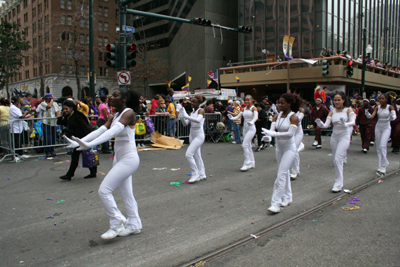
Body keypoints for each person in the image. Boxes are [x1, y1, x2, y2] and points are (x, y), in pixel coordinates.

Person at [65, 88, 142, 240]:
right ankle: (134, 224)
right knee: (127, 194)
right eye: (111, 95)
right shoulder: (115, 115)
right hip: (120, 158)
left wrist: (90, 144)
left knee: (104, 190)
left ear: (124, 98)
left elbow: (112, 133)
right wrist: (80, 142)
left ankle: (116, 221)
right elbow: (101, 130)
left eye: (115, 95)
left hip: (129, 159)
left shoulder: (129, 113)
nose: (111, 97)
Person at [261, 93, 301, 213]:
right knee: (284, 173)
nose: (279, 105)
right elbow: (272, 131)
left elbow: (290, 134)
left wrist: (274, 134)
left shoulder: (293, 117)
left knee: (281, 174)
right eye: (279, 102)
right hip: (279, 148)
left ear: (289, 104)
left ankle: (276, 203)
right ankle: (287, 197)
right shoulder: (276, 116)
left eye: (282, 103)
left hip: (289, 148)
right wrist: (267, 137)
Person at [315, 92, 356, 192]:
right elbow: (326, 125)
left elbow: (353, 122)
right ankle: (339, 181)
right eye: (335, 100)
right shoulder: (332, 111)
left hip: (344, 136)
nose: (337, 102)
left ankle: (338, 184)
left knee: (338, 158)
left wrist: (346, 124)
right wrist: (320, 124)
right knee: (336, 159)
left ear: (343, 100)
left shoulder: (348, 110)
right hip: (334, 137)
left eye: (339, 100)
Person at [57, 99, 97, 181]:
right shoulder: (69, 116)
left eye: (66, 109)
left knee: (88, 154)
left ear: (71, 108)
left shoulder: (78, 115)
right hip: (77, 140)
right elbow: (60, 123)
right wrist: (61, 115)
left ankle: (91, 172)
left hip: (83, 138)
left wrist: (86, 139)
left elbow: (85, 127)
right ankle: (70, 174)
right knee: (76, 156)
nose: (65, 111)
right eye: (63, 109)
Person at [365, 94, 397, 175]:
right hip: (378, 127)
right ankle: (380, 165)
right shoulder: (377, 107)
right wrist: (367, 114)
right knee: (379, 147)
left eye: (383, 99)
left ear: (386, 99)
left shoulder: (390, 107)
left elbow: (394, 116)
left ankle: (384, 165)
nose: (381, 100)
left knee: (383, 146)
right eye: (380, 99)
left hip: (386, 127)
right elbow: (372, 117)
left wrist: (392, 117)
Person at [179, 95, 207, 183]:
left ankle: (195, 174)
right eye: (192, 102)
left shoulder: (201, 111)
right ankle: (202, 173)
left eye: (194, 102)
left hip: (199, 135)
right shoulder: (192, 113)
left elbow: (198, 120)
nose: (192, 103)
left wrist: (186, 116)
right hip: (192, 135)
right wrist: (182, 116)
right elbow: (185, 124)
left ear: (199, 103)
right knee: (197, 155)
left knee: (188, 154)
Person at [227, 95, 258, 171]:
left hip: (251, 128)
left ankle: (247, 162)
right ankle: (252, 162)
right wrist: (232, 118)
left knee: (244, 145)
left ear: (252, 100)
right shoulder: (244, 109)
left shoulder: (253, 108)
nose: (247, 101)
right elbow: (238, 116)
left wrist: (252, 122)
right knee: (248, 145)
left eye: (248, 100)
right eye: (245, 100)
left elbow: (256, 117)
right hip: (245, 128)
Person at [9, 96, 31, 161]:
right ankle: (15, 155)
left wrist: (24, 114)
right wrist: (26, 114)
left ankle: (20, 154)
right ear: (17, 101)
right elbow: (21, 116)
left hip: (19, 127)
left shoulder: (16, 108)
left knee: (19, 141)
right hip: (15, 127)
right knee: (16, 142)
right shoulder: (13, 108)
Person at [40, 93, 60, 158]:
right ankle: (47, 151)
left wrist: (59, 116)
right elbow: (49, 106)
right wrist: (51, 100)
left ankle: (52, 150)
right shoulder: (43, 104)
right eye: (51, 98)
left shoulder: (54, 104)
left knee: (53, 137)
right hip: (46, 122)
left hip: (53, 122)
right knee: (47, 138)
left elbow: (57, 111)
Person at [290, 103, 305, 179]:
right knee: (292, 151)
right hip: (290, 133)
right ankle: (296, 170)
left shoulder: (300, 111)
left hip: (298, 133)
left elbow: (298, 119)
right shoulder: (286, 112)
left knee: (294, 150)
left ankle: (295, 171)